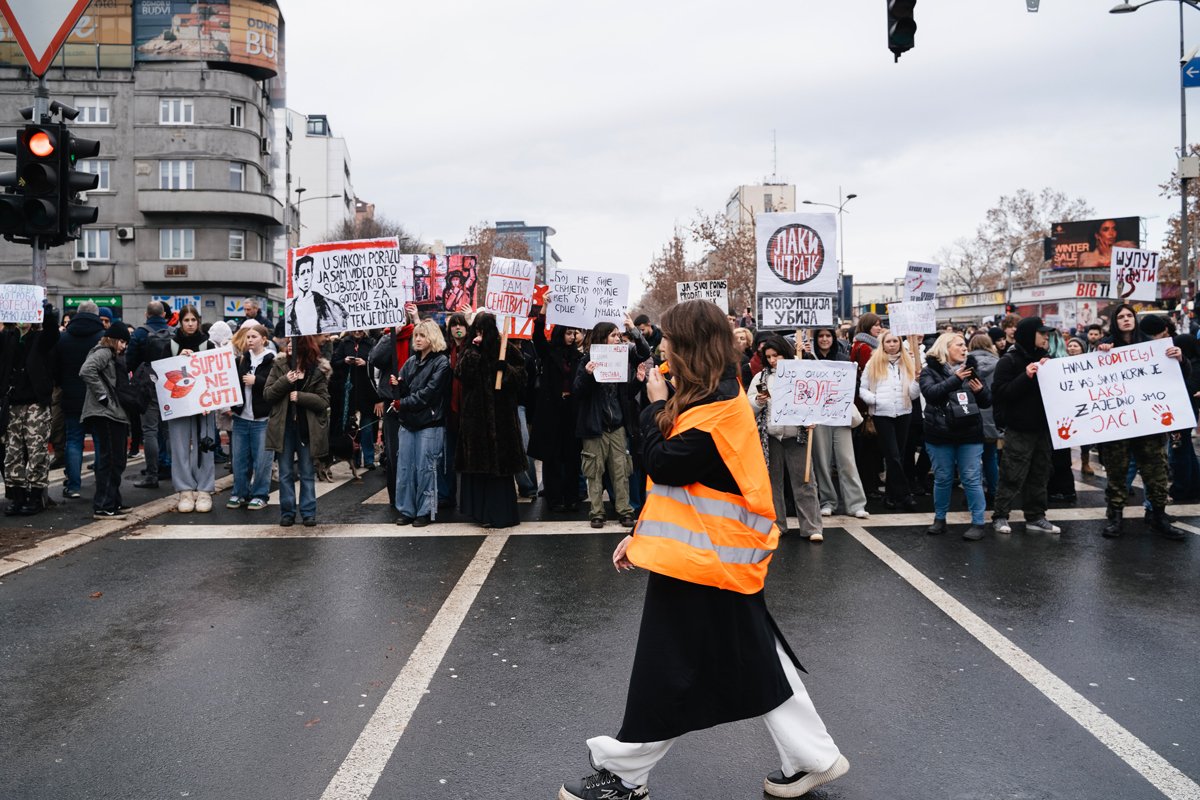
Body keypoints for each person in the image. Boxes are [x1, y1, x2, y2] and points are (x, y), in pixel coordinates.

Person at [560, 300, 848, 800]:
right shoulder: (710, 396)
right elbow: (683, 494)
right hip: (709, 560)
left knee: (668, 667)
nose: (662, 346)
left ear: (690, 346)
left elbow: (666, 464)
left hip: (709, 563)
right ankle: (814, 757)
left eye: (670, 338)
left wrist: (651, 407)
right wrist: (641, 537)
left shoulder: (717, 407)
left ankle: (627, 776)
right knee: (758, 659)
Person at [1095, 307, 1188, 540]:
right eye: (1121, 317)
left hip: (1149, 422)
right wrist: (1101, 353)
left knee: (1156, 470)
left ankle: (1158, 517)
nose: (1126, 320)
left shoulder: (1152, 346)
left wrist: (1180, 359)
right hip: (1119, 425)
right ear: (1115, 322)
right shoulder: (1106, 347)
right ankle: (1115, 518)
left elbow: (1179, 375)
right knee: (1117, 472)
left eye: (1129, 316)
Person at [573, 315, 651, 528]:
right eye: (613, 335)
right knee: (594, 471)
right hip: (594, 426)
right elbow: (578, 391)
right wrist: (589, 375)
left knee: (621, 470)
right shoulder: (587, 359)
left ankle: (625, 511)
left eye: (619, 335)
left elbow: (644, 353)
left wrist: (633, 330)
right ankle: (596, 512)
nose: (618, 339)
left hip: (617, 424)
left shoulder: (622, 356)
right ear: (602, 338)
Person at [989, 318, 1063, 538]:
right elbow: (1001, 393)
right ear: (1030, 334)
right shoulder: (1009, 361)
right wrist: (1026, 376)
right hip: (1019, 428)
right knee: (1012, 472)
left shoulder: (1046, 360)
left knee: (1040, 473)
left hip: (1042, 429)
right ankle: (1001, 515)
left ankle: (1036, 516)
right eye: (1042, 334)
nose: (1046, 338)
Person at [748, 335, 823, 540]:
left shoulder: (801, 374)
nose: (772, 360)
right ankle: (776, 525)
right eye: (769, 356)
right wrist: (758, 401)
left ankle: (812, 527)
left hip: (796, 436)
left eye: (776, 355)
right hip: (771, 437)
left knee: (805, 482)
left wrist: (812, 418)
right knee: (772, 484)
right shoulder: (761, 378)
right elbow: (749, 407)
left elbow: (815, 400)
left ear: (786, 353)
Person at [455, 312, 526, 529]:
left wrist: (506, 371)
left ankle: (500, 514)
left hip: (501, 416)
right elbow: (461, 373)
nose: (480, 335)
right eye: (477, 330)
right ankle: (480, 513)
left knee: (499, 468)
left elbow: (522, 376)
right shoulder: (469, 349)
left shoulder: (504, 347)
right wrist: (475, 351)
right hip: (475, 418)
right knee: (478, 467)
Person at [920, 331, 992, 540]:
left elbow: (986, 401)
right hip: (940, 433)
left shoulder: (971, 370)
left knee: (971, 478)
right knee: (942, 478)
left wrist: (980, 392)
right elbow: (931, 394)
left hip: (969, 433)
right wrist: (954, 379)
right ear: (946, 349)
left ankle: (978, 523)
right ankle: (940, 519)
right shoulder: (930, 370)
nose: (964, 349)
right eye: (959, 345)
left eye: (965, 346)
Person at [0, 301, 60, 515]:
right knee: (12, 452)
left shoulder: (40, 339)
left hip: (35, 402)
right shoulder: (8, 338)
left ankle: (35, 497)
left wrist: (48, 314)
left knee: (36, 451)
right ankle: (16, 496)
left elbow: (53, 334)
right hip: (13, 403)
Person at [802, 328, 869, 518]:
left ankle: (856, 504)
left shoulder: (843, 359)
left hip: (839, 413)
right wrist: (801, 355)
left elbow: (851, 385)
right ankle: (828, 501)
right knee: (822, 461)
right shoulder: (807, 357)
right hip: (818, 414)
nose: (824, 339)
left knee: (847, 459)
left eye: (828, 336)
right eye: (821, 336)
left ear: (833, 338)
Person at [264, 335, 331, 527]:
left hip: (306, 429)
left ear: (304, 344)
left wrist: (300, 397)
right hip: (284, 428)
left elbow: (324, 401)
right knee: (285, 472)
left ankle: (308, 513)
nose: (289, 344)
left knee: (307, 472)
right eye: (288, 341)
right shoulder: (279, 366)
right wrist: (285, 381)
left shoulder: (316, 371)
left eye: (294, 341)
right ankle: (287, 513)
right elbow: (268, 394)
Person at [394, 320, 451, 526]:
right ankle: (407, 510)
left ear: (432, 337)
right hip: (409, 422)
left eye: (422, 335)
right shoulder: (410, 362)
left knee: (427, 469)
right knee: (405, 468)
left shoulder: (442, 362)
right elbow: (404, 390)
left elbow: (430, 393)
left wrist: (403, 402)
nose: (417, 339)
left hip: (430, 423)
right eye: (416, 335)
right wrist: (397, 387)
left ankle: (426, 511)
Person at [528, 310, 585, 512]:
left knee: (571, 456)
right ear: (561, 333)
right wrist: (542, 314)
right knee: (552, 457)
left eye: (575, 333)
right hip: (552, 410)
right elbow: (537, 336)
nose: (572, 337)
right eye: (568, 333)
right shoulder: (549, 352)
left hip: (571, 411)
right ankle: (554, 496)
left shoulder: (579, 356)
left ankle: (571, 496)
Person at [162, 306, 217, 513]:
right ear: (181, 322)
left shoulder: (208, 344)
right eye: (187, 320)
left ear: (198, 321)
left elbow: (215, 374)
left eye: (194, 320)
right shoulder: (171, 345)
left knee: (206, 446)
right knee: (179, 447)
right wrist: (177, 360)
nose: (191, 323)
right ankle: (184, 490)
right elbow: (160, 372)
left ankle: (204, 490)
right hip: (179, 403)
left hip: (205, 404)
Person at [859, 330, 921, 511]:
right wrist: (876, 400)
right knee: (893, 456)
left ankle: (891, 496)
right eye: (888, 341)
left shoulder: (908, 362)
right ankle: (905, 495)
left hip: (904, 412)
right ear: (883, 344)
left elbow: (913, 394)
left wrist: (917, 381)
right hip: (882, 414)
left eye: (895, 341)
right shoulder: (873, 363)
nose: (892, 344)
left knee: (898, 457)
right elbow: (862, 389)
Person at [52, 301, 106, 500]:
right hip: (97, 398)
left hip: (71, 397)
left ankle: (73, 486)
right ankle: (102, 483)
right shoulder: (102, 338)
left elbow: (55, 370)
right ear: (96, 315)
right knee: (101, 441)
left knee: (74, 441)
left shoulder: (63, 338)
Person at [79, 323, 130, 519]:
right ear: (114, 339)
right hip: (105, 413)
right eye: (122, 341)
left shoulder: (110, 354)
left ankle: (113, 502)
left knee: (115, 459)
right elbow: (86, 370)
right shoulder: (104, 352)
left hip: (110, 413)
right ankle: (103, 505)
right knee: (110, 460)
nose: (124, 346)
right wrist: (103, 397)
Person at [369, 307, 418, 508]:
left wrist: (416, 321)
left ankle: (415, 496)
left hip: (413, 402)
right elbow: (375, 359)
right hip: (392, 403)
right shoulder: (387, 337)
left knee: (414, 454)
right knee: (394, 453)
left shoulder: (416, 334)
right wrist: (391, 336)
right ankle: (397, 498)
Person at [227, 324, 275, 511]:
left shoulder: (272, 361)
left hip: (262, 419)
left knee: (262, 460)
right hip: (241, 417)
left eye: (254, 336)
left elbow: (276, 386)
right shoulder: (241, 360)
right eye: (248, 337)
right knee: (239, 459)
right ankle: (239, 493)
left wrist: (258, 381)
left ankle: (260, 494)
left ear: (264, 339)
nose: (250, 340)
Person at [127, 301, 173, 489]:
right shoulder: (173, 333)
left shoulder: (140, 333)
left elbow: (130, 361)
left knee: (150, 431)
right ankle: (171, 466)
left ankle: (152, 474)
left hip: (148, 385)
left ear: (146, 315)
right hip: (170, 384)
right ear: (163, 315)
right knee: (168, 430)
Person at [332, 328, 380, 469]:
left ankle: (369, 459)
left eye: (360, 330)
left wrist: (365, 364)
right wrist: (345, 361)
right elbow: (334, 362)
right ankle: (355, 459)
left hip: (366, 393)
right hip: (349, 394)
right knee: (352, 430)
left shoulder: (371, 343)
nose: (357, 332)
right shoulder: (344, 343)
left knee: (366, 428)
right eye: (355, 330)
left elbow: (377, 363)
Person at [849, 313, 884, 499]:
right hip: (866, 402)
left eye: (880, 325)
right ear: (867, 326)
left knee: (867, 447)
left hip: (864, 401)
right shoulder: (865, 347)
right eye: (876, 325)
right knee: (869, 446)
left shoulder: (862, 344)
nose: (879, 328)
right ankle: (869, 484)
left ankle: (870, 481)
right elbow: (870, 377)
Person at [966, 333, 1002, 500]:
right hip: (990, 417)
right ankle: (994, 492)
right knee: (990, 457)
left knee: (970, 460)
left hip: (969, 415)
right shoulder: (999, 363)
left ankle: (973, 494)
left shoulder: (965, 364)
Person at [286, 254, 350, 335]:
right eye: (302, 273)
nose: (306, 277)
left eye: (308, 271)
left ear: (312, 274)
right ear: (296, 277)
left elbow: (343, 330)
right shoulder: (289, 311)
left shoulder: (331, 306)